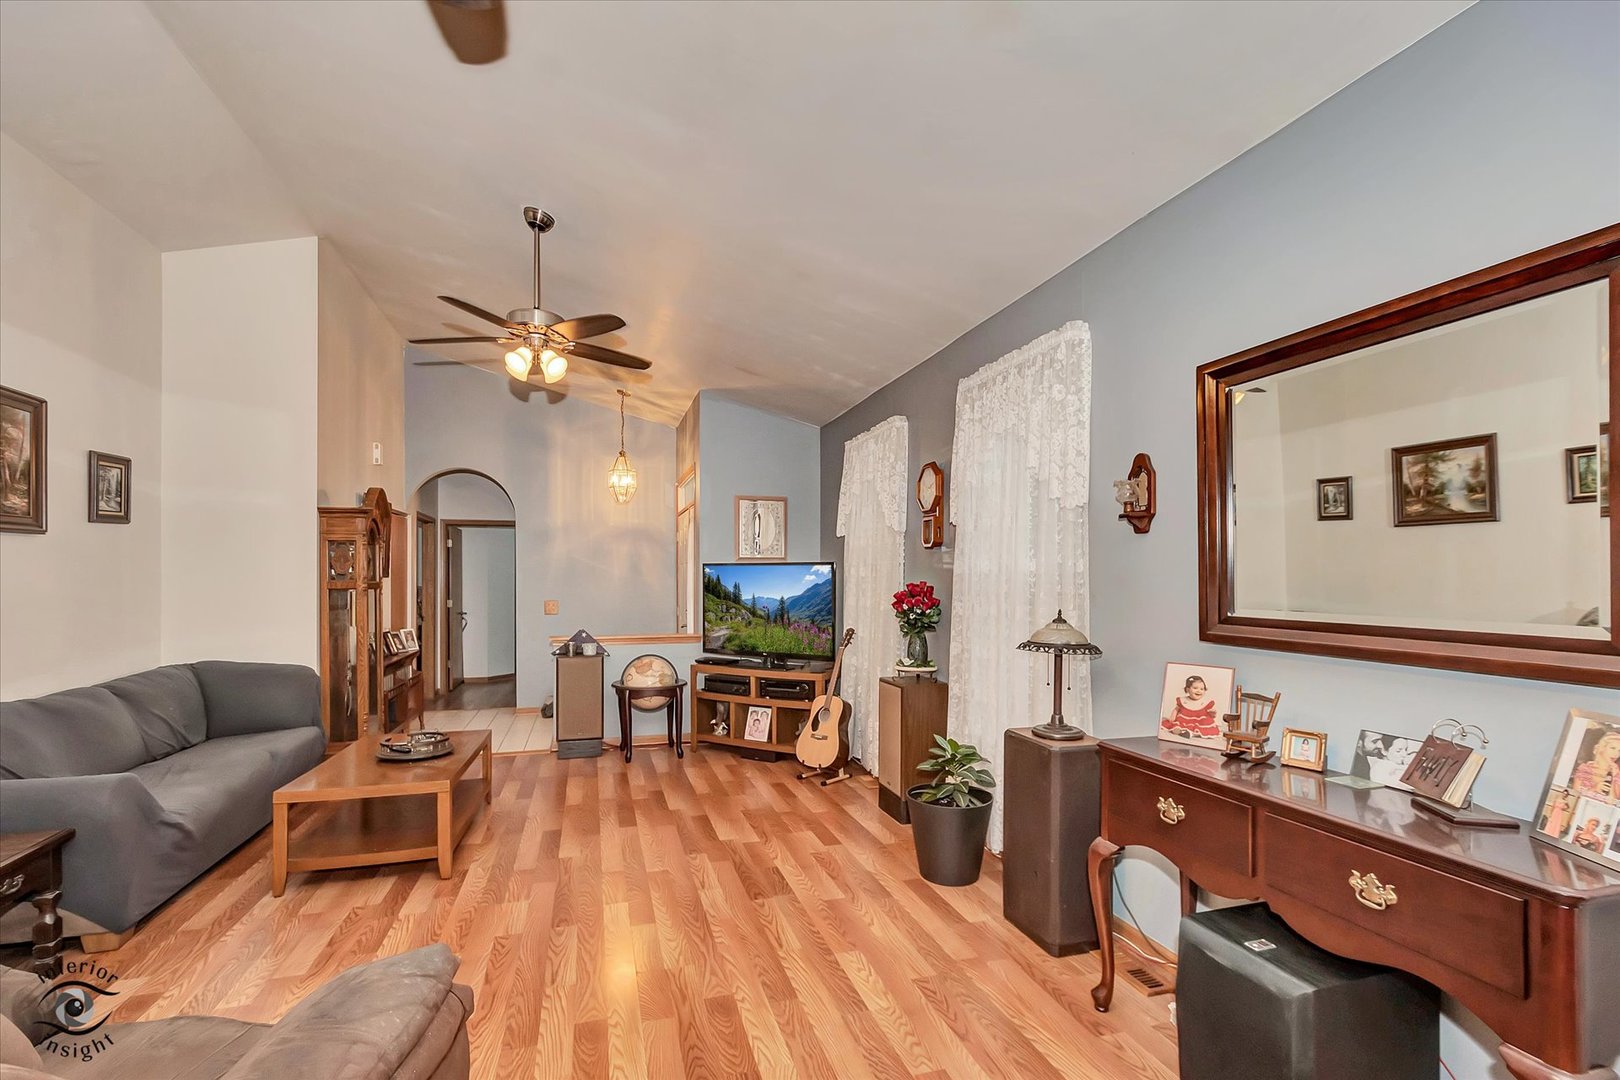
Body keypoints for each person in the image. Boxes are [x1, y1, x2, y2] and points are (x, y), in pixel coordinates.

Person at [1162, 675, 1221, 739]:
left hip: (1200, 721)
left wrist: (1213, 713)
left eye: (1202, 689)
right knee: (1177, 724)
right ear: (1188, 689)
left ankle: (1191, 733)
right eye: (1195, 688)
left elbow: (1211, 715)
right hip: (1184, 720)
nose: (1198, 691)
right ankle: (1178, 730)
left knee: (1204, 725)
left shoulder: (1205, 703)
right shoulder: (1183, 700)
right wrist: (1173, 716)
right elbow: (1177, 708)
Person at [1570, 731, 1620, 801]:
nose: (1616, 754)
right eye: (1613, 748)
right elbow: (1574, 796)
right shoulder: (1585, 769)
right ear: (1602, 748)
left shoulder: (1617, 774)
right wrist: (1594, 789)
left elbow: (1614, 802)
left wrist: (1614, 777)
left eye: (1619, 751)